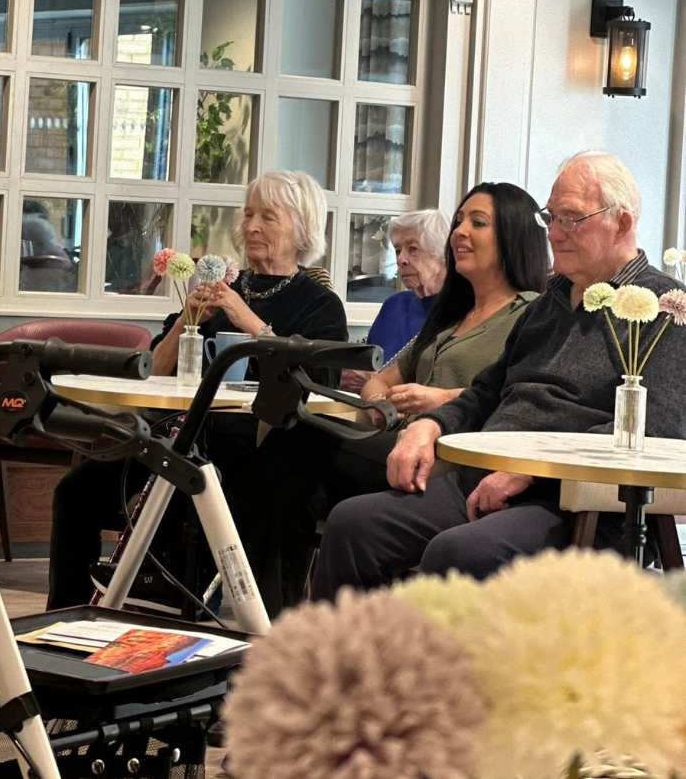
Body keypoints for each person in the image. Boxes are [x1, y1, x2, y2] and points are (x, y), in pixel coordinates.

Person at [311, 151, 686, 601]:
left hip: (577, 502)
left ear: (621, 224)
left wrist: (530, 472)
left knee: (458, 553)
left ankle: (435, 673)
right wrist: (432, 425)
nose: (553, 233)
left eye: (570, 218)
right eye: (551, 217)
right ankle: (340, 670)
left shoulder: (665, 308)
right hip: (485, 477)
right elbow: (487, 390)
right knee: (354, 525)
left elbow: (656, 428)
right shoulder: (551, 301)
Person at [224, 181, 550, 616]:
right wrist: (385, 406)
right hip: (394, 444)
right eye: (458, 221)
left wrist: (440, 399)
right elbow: (379, 381)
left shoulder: (528, 312)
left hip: (450, 457)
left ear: (514, 235)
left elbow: (510, 394)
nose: (460, 232)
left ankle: (269, 621)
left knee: (297, 438)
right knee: (297, 488)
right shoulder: (451, 318)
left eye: (478, 222)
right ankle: (283, 627)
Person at [48, 170, 348, 612]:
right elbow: (154, 368)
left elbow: (319, 390)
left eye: (268, 216)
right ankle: (64, 617)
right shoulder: (219, 289)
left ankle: (185, 593)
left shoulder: (319, 304)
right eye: (247, 215)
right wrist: (190, 317)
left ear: (302, 226)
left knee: (234, 492)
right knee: (75, 491)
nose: (251, 227)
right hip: (178, 436)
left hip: (256, 449)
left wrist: (249, 321)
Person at [340, 208, 450, 393]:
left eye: (412, 249)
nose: (401, 259)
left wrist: (376, 383)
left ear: (441, 254)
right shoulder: (394, 305)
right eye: (398, 250)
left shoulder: (460, 310)